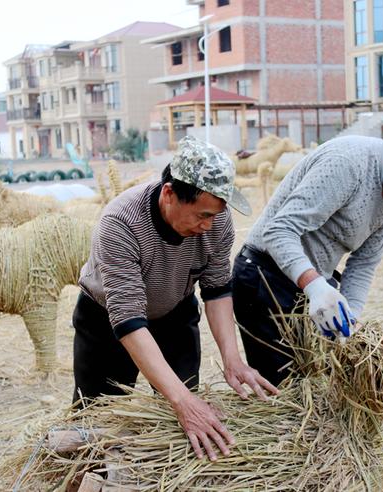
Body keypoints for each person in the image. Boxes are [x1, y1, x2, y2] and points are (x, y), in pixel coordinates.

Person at [73, 136, 279, 461]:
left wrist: (232, 358)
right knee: (96, 419)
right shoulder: (120, 224)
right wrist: (181, 401)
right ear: (169, 193)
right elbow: (127, 320)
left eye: (215, 214)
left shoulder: (217, 220)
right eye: (201, 215)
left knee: (183, 419)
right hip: (108, 323)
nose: (208, 225)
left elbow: (216, 289)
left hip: (173, 313)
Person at [232, 136, 383, 386]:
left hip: (311, 288)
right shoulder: (348, 163)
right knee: (288, 392)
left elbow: (364, 262)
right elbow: (278, 231)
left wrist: (351, 319)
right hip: (266, 279)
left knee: (323, 387)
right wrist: (315, 286)